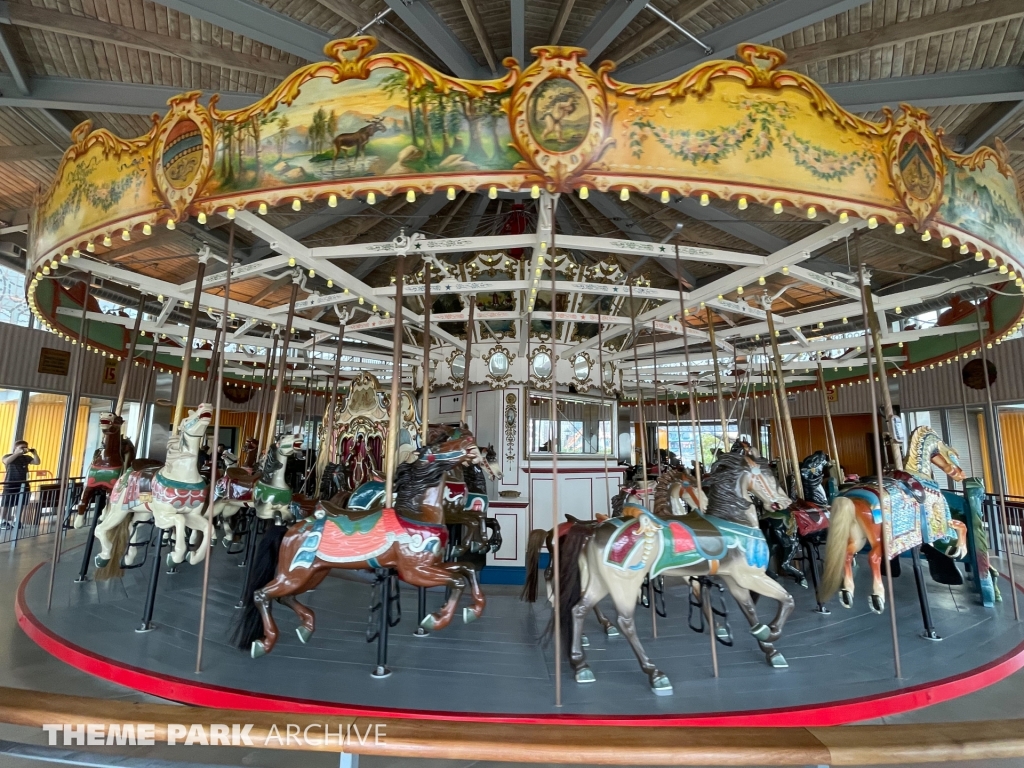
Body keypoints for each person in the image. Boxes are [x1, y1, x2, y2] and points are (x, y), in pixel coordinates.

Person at [2, 441, 39, 529]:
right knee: (6, 503)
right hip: (10, 484)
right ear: (16, 448)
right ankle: (2, 521)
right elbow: (6, 462)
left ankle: (16, 520)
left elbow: (37, 462)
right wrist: (16, 454)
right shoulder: (8, 456)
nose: (24, 449)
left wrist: (35, 454)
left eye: (25, 447)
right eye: (22, 447)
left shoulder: (26, 458)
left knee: (21, 503)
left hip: (23, 484)